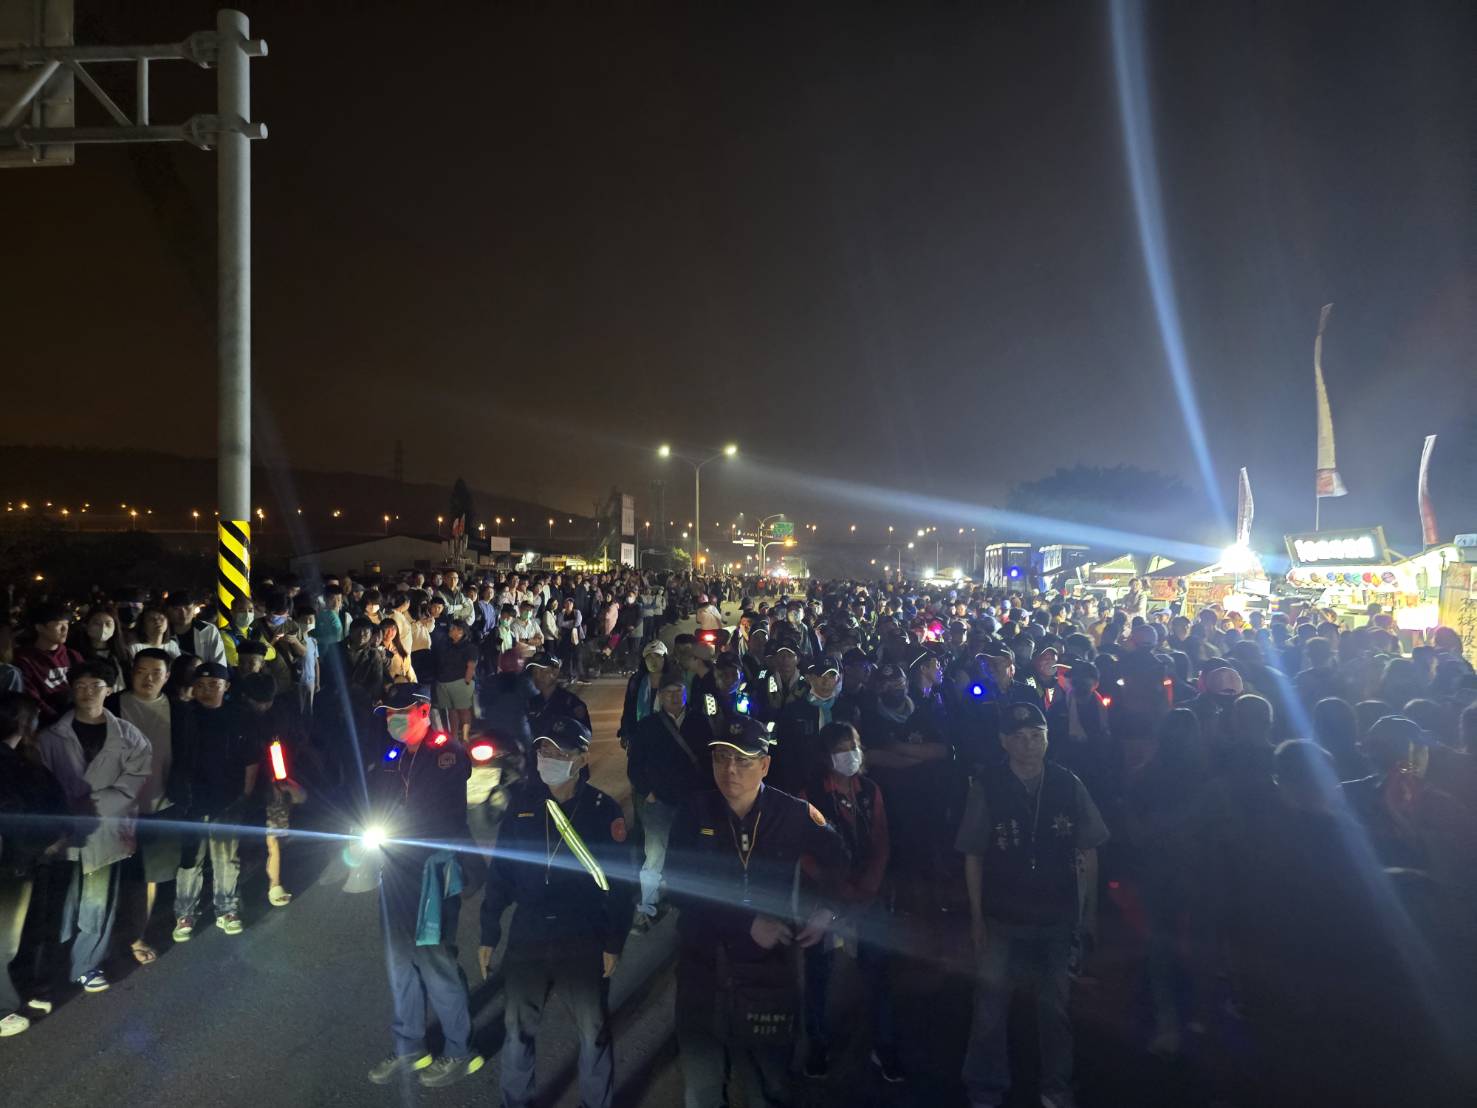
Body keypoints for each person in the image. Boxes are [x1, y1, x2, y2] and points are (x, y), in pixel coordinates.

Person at [664, 715, 849, 1108]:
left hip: (768, 972)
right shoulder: (693, 812)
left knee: (768, 1083)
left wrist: (828, 911)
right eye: (721, 758)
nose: (730, 770)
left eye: (743, 760)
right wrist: (744, 922)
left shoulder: (793, 813)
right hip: (702, 964)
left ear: (765, 765)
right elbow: (677, 884)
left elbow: (840, 857)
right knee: (702, 1084)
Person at [956, 702, 1109, 1108]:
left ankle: (1056, 1086)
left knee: (1055, 1008)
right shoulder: (987, 785)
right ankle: (985, 1085)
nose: (1029, 745)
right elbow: (974, 854)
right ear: (1003, 741)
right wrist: (976, 918)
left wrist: (1089, 913)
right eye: (1019, 737)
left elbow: (1088, 849)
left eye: (1036, 736)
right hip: (1002, 915)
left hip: (1057, 914)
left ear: (1047, 737)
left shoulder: (1067, 783)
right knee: (989, 1007)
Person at [479, 716, 633, 1108]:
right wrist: (488, 930)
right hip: (528, 933)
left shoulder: (603, 810)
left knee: (593, 1031)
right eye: (544, 749)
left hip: (582, 935)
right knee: (517, 1031)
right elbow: (501, 871)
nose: (549, 757)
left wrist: (614, 941)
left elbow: (621, 884)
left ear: (581, 758)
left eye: (560, 751)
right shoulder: (522, 804)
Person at [363, 685, 482, 1089]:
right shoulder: (393, 755)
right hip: (394, 869)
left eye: (400, 711)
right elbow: (376, 800)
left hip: (432, 869)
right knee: (399, 961)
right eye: (388, 713)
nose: (393, 719)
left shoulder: (446, 752)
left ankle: (460, 1050)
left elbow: (442, 812)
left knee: (435, 959)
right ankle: (409, 1046)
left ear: (424, 711)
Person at [36, 661, 152, 993]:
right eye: (80, 686)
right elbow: (40, 782)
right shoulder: (50, 737)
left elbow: (133, 783)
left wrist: (89, 806)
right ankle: (52, 967)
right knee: (60, 902)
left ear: (109, 689)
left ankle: (86, 964)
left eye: (95, 686)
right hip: (63, 834)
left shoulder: (129, 736)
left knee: (98, 901)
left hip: (106, 832)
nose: (87, 693)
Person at [798, 721, 901, 1083]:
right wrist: (838, 889)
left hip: (867, 896)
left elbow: (882, 841)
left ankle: (884, 1046)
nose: (850, 755)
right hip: (825, 897)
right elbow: (804, 851)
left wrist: (868, 886)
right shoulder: (811, 794)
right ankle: (818, 1044)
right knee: (819, 975)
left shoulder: (870, 790)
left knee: (877, 972)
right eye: (841, 750)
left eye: (853, 747)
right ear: (827, 756)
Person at [105, 648, 187, 966]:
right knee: (121, 877)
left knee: (151, 875)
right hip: (119, 809)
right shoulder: (112, 706)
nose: (148, 678)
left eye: (156, 672)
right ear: (131, 673)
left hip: (163, 804)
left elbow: (188, 756)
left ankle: (137, 935)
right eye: (141, 671)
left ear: (167, 677)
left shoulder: (179, 710)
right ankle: (112, 938)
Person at [172, 662, 258, 940]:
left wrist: (245, 793)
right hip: (191, 798)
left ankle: (227, 909)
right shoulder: (184, 715)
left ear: (226, 687)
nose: (206, 690)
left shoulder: (238, 715)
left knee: (226, 858)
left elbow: (251, 757)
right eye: (200, 685)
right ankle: (185, 913)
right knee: (190, 858)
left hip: (227, 797)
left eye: (213, 685)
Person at [0, 691, 69, 1035]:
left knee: (23, 933)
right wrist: (46, 841)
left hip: (29, 858)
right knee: (5, 939)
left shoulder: (22, 757)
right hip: (13, 860)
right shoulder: (7, 762)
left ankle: (21, 991)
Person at [626, 668, 712, 933]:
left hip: (693, 802)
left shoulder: (699, 722)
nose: (674, 697)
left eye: (679, 691)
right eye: (668, 692)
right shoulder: (648, 726)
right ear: (660, 696)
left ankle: (688, 901)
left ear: (686, 694)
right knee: (655, 854)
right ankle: (649, 904)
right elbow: (635, 765)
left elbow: (709, 760)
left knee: (691, 852)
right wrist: (648, 791)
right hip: (660, 801)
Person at [15, 604, 84, 727]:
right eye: (59, 624)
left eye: (67, 624)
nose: (65, 629)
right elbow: (32, 698)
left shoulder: (73, 655)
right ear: (40, 627)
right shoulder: (24, 659)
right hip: (47, 724)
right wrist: (58, 720)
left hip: (77, 717)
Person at [429, 619, 478, 741]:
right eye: (451, 628)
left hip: (461, 683)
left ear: (461, 631)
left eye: (454, 628)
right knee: (452, 710)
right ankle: (454, 738)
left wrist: (466, 683)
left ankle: (465, 737)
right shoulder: (445, 645)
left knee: (463, 710)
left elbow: (471, 666)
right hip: (445, 682)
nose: (450, 630)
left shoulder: (469, 647)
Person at [527, 652, 592, 739]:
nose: (537, 676)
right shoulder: (532, 703)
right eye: (534, 672)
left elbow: (584, 737)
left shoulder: (571, 703)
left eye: (542, 670)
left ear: (555, 672)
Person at [164, 592, 228, 668]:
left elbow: (219, 664)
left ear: (194, 607)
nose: (183, 613)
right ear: (168, 610)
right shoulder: (162, 632)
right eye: (176, 609)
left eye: (187, 608)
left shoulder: (208, 630)